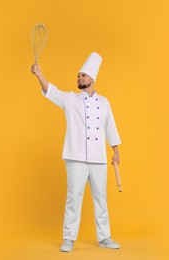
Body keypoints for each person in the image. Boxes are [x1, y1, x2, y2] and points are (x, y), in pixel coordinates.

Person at [31, 52, 122, 252]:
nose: (79, 78)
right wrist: (39, 74)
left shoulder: (104, 103)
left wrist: (115, 151)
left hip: (98, 158)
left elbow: (110, 128)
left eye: (83, 75)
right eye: (78, 76)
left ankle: (105, 237)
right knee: (74, 197)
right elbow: (51, 90)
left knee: (101, 198)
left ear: (92, 79)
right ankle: (68, 238)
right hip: (76, 157)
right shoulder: (71, 100)